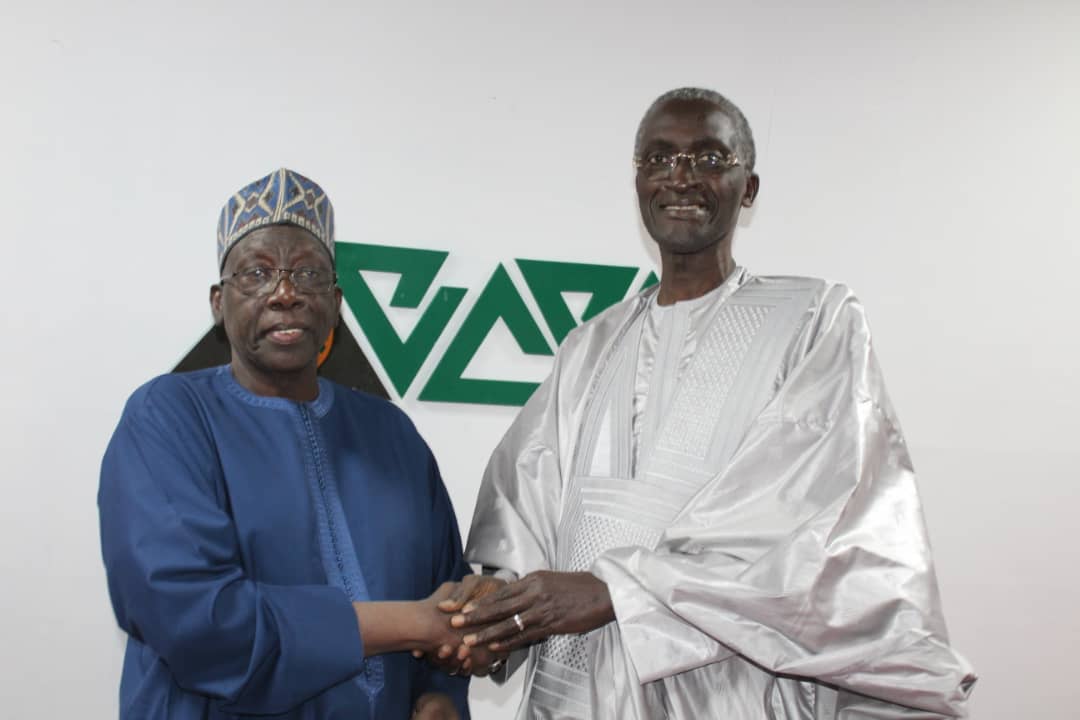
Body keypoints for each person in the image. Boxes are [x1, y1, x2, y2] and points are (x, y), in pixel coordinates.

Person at [442, 89, 977, 718]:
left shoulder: (813, 321)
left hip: (729, 687)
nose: (681, 177)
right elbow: (526, 504)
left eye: (709, 158)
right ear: (637, 181)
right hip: (574, 688)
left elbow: (820, 533)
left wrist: (619, 590)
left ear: (749, 188)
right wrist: (501, 600)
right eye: (659, 159)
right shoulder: (589, 346)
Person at [99, 168, 470, 720]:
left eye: (309, 274)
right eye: (257, 273)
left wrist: (439, 694)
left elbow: (448, 587)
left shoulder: (393, 434)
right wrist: (415, 623)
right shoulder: (168, 417)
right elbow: (198, 621)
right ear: (218, 303)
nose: (286, 294)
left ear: (336, 303)